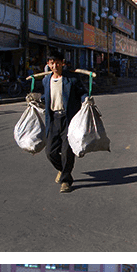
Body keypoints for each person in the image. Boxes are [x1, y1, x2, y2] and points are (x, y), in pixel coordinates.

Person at [41, 51, 87, 194]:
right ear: (48, 64)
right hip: (53, 119)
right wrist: (37, 98)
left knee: (67, 151)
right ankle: (62, 169)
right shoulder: (46, 80)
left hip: (69, 120)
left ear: (62, 63)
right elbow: (46, 97)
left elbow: (82, 92)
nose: (55, 65)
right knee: (50, 152)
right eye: (51, 62)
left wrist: (86, 100)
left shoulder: (72, 79)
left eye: (57, 62)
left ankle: (66, 180)